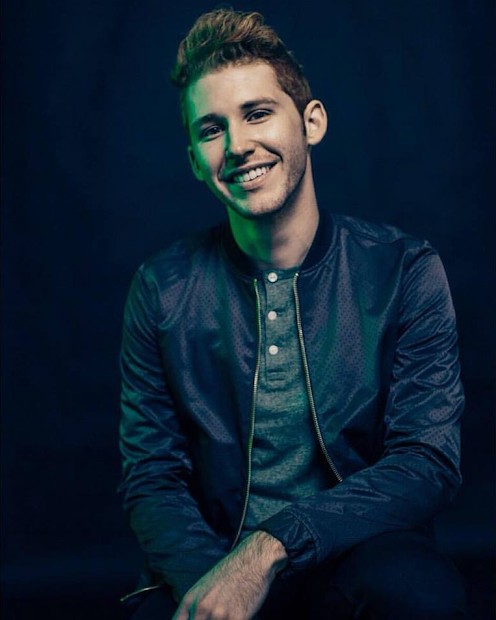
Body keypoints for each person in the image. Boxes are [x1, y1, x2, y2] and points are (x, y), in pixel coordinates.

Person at [119, 8, 467, 619]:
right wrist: (218, 586)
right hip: (213, 557)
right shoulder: (161, 290)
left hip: (356, 556)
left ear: (311, 122)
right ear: (196, 160)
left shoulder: (403, 268)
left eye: (257, 113)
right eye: (212, 129)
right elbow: (152, 477)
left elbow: (426, 460)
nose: (237, 145)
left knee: (421, 596)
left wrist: (271, 547)